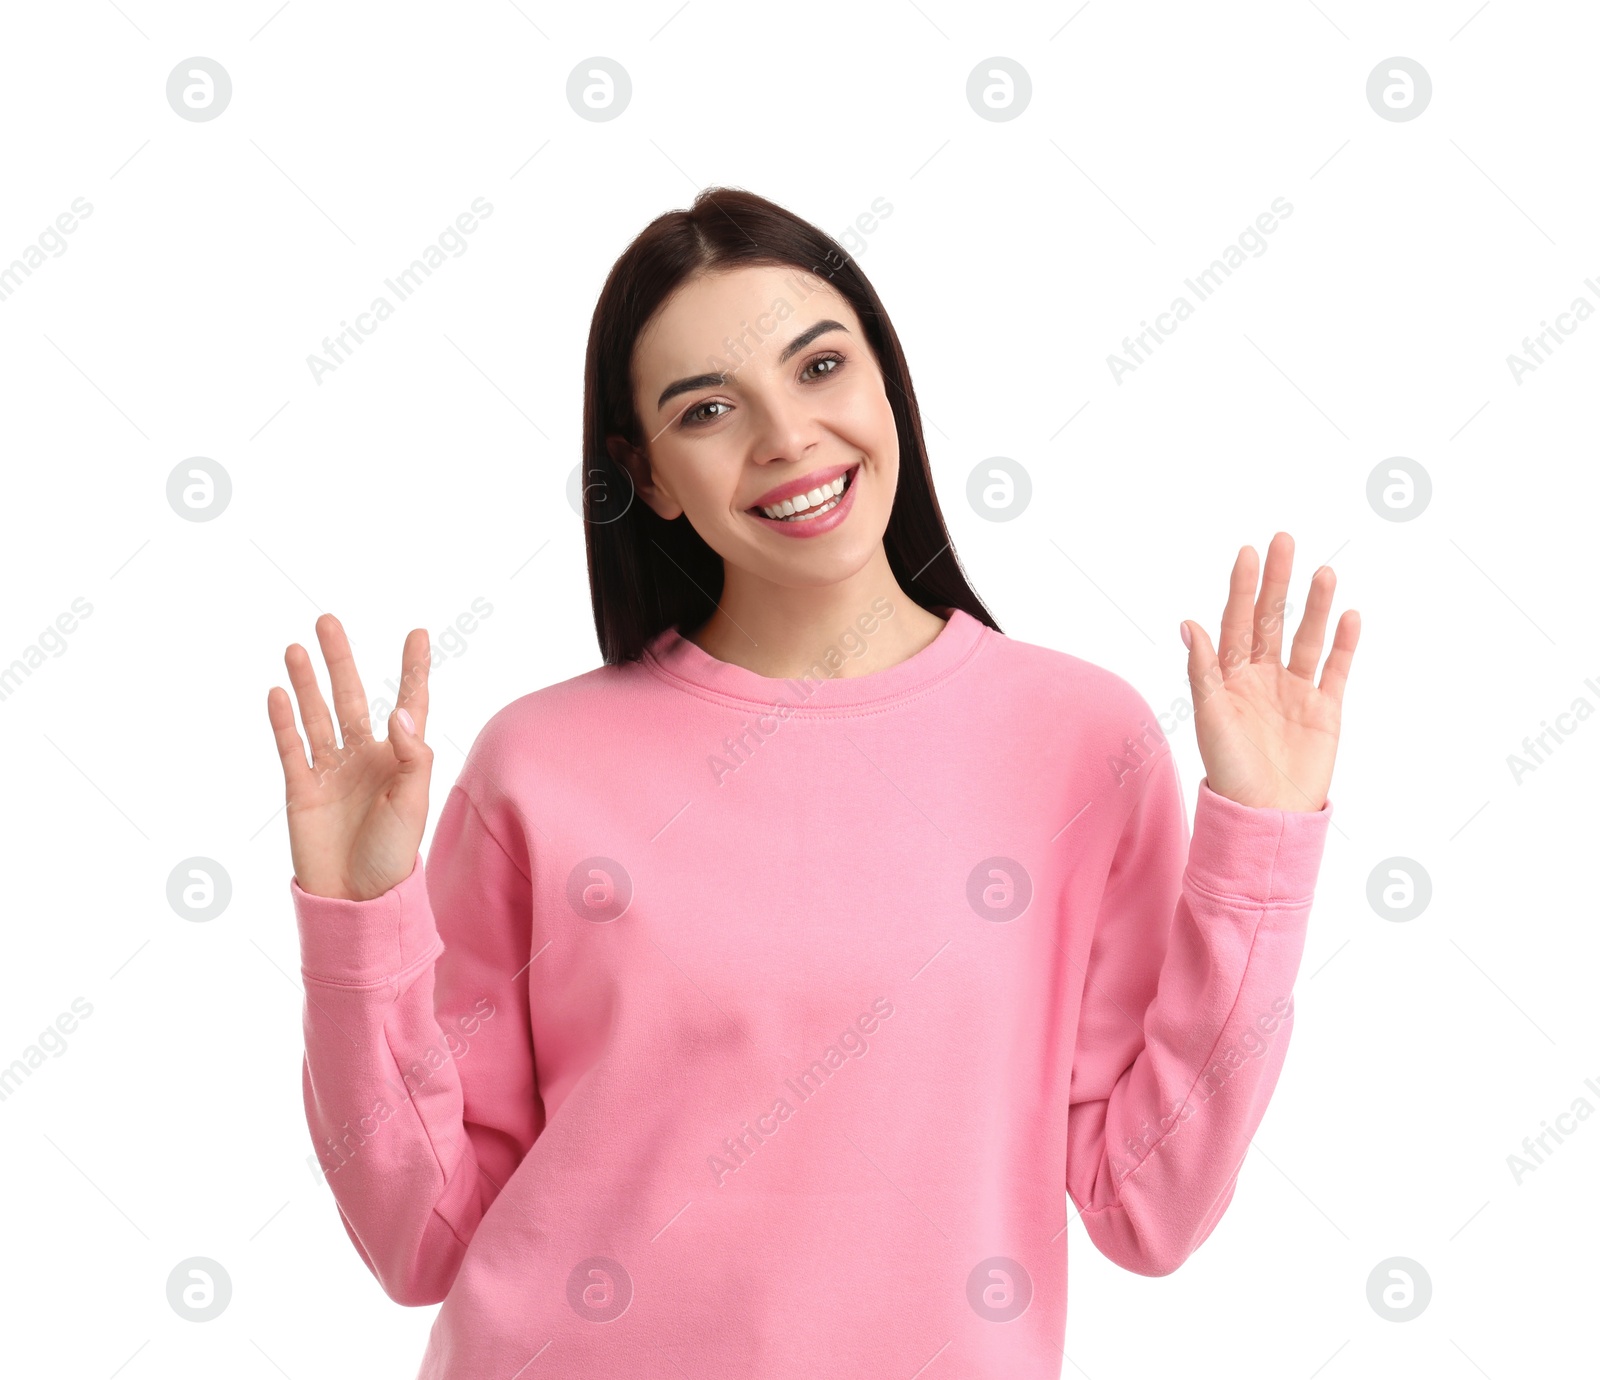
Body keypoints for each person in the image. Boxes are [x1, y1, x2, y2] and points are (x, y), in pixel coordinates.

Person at [266, 187, 1359, 1379]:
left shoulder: (1081, 741)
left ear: (886, 383)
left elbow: (1147, 1209)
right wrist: (358, 928)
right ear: (654, 477)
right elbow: (417, 1241)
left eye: (821, 365)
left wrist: (1261, 844)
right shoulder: (536, 767)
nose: (785, 436)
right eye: (708, 409)